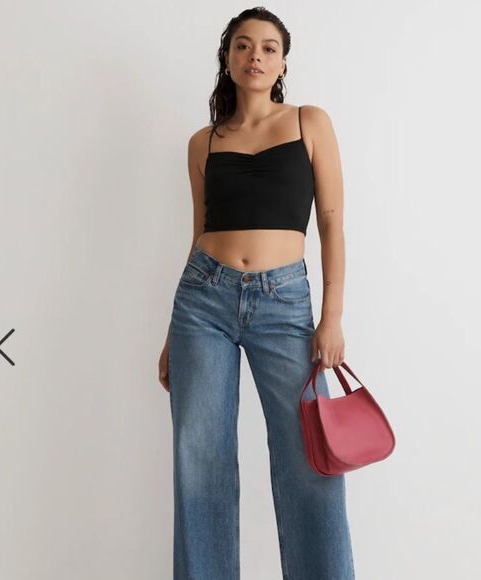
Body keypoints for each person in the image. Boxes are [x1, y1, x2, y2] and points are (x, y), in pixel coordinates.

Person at [158, 7, 355, 580]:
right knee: (200, 461)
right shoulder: (202, 143)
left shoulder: (309, 123)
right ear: (227, 58)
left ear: (283, 63)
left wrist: (332, 317)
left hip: (285, 302)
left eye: (269, 48)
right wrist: (172, 334)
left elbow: (332, 224)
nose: (256, 56)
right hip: (203, 302)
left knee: (309, 459)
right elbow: (198, 233)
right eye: (243, 46)